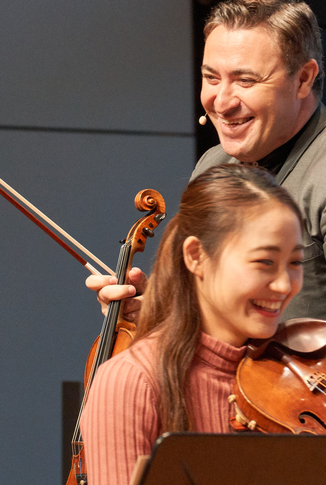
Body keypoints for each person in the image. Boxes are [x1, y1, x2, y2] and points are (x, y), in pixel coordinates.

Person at [89, 0, 326, 432]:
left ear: (304, 79)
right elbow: (207, 315)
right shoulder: (214, 165)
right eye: (212, 77)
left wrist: (245, 370)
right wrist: (154, 309)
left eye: (246, 81)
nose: (222, 102)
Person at [82, 164, 305, 485]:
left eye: (295, 263)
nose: (285, 285)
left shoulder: (296, 372)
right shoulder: (132, 381)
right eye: (265, 262)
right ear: (196, 256)